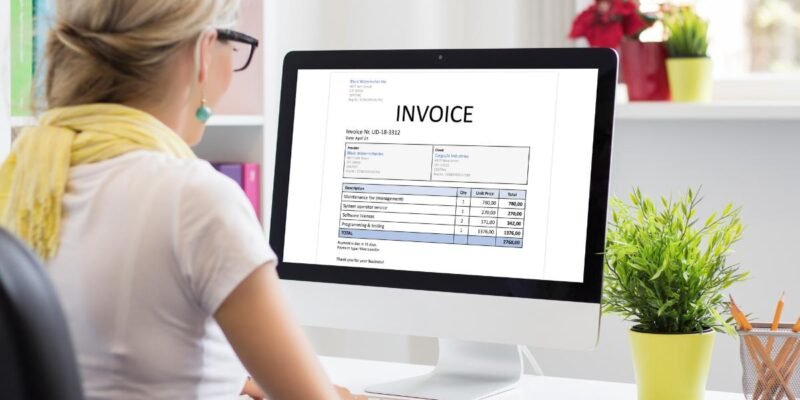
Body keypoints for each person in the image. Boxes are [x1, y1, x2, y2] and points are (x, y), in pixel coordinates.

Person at [0, 1, 365, 399]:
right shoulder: (193, 197)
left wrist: (228, 378)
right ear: (204, 52)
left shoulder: (26, 177)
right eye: (237, 45)